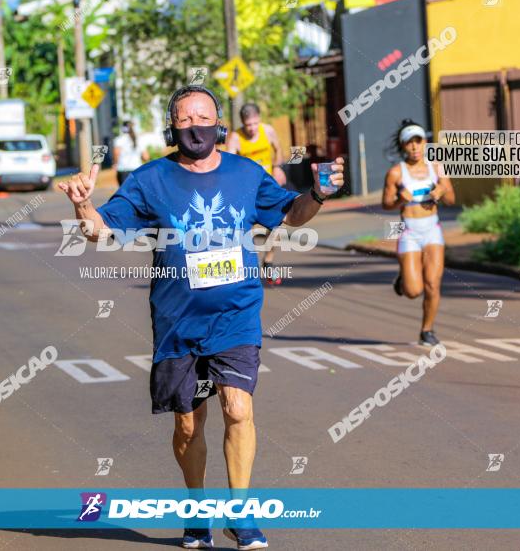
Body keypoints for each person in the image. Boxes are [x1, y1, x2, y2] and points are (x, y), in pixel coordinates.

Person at [59, 85, 344, 550]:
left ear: (220, 124)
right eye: (185, 120)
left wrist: (318, 191)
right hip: (178, 320)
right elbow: (101, 233)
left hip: (237, 314)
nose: (195, 127)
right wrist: (83, 205)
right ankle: (197, 511)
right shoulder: (151, 179)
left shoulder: (246, 174)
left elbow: (293, 215)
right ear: (173, 127)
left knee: (238, 407)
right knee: (189, 424)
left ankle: (240, 515)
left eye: (203, 117)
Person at [382, 121, 455, 347]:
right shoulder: (396, 173)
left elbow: (452, 200)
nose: (414, 147)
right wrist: (399, 200)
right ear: (403, 146)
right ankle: (403, 280)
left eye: (418, 141)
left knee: (433, 284)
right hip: (410, 231)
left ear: (425, 142)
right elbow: (386, 204)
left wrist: (442, 191)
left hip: (432, 230)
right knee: (414, 291)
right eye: (409, 142)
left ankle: (427, 330)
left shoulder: (437, 168)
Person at [226, 103, 287, 286]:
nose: (252, 128)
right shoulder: (236, 137)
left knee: (278, 224)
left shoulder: (267, 131)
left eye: (254, 123)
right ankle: (247, 267)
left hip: (267, 187)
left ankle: (268, 261)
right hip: (246, 189)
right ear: (243, 123)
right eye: (248, 125)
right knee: (246, 229)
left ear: (259, 119)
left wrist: (277, 167)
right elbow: (229, 164)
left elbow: (279, 150)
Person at [112, 120, 149, 185]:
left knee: (125, 193)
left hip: (123, 171)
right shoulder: (139, 139)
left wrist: (115, 164)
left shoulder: (119, 139)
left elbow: (116, 153)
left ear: (123, 128)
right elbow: (146, 157)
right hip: (137, 170)